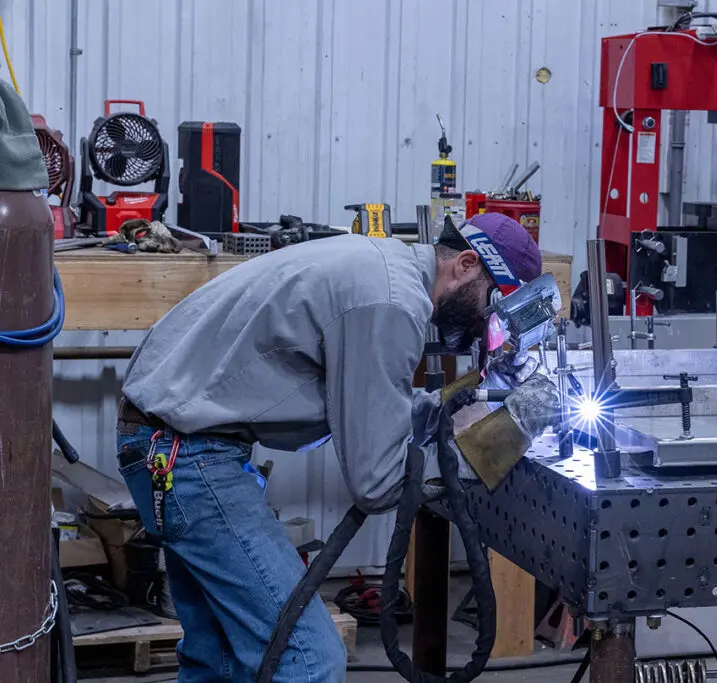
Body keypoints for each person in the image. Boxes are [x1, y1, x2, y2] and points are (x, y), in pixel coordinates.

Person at [115, 213, 560, 682]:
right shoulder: (392, 303)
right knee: (308, 659)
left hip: (168, 442)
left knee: (219, 658)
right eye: (492, 305)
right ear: (467, 264)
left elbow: (361, 400)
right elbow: (379, 483)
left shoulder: (383, 268)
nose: (486, 328)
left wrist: (451, 404)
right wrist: (507, 431)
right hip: (187, 457)